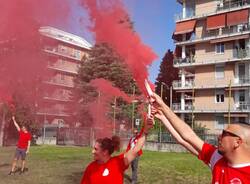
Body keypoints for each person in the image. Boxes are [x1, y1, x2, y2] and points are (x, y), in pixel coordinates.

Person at [150, 92, 250, 183]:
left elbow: (186, 138)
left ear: (237, 142)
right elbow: (188, 137)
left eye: (224, 133)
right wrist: (163, 111)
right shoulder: (218, 158)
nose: (219, 136)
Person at [81, 116, 154, 184]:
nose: (92, 151)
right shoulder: (90, 167)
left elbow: (136, 149)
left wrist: (145, 130)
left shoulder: (118, 162)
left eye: (96, 149)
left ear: (105, 152)